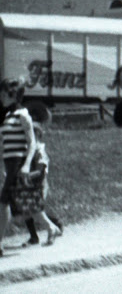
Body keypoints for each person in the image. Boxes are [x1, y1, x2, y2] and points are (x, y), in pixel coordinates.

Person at [0, 77, 61, 256]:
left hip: (19, 164)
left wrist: (26, 165)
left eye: (3, 93)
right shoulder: (8, 115)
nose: (0, 97)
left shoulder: (23, 114)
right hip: (10, 164)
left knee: (4, 202)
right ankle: (51, 228)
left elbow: (32, 143)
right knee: (26, 204)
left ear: (12, 95)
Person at [20, 123, 64, 247]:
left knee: (35, 210)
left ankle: (55, 225)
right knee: (27, 210)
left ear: (37, 135)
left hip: (39, 185)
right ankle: (34, 236)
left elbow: (40, 171)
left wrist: (25, 175)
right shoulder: (27, 151)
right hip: (27, 185)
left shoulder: (39, 151)